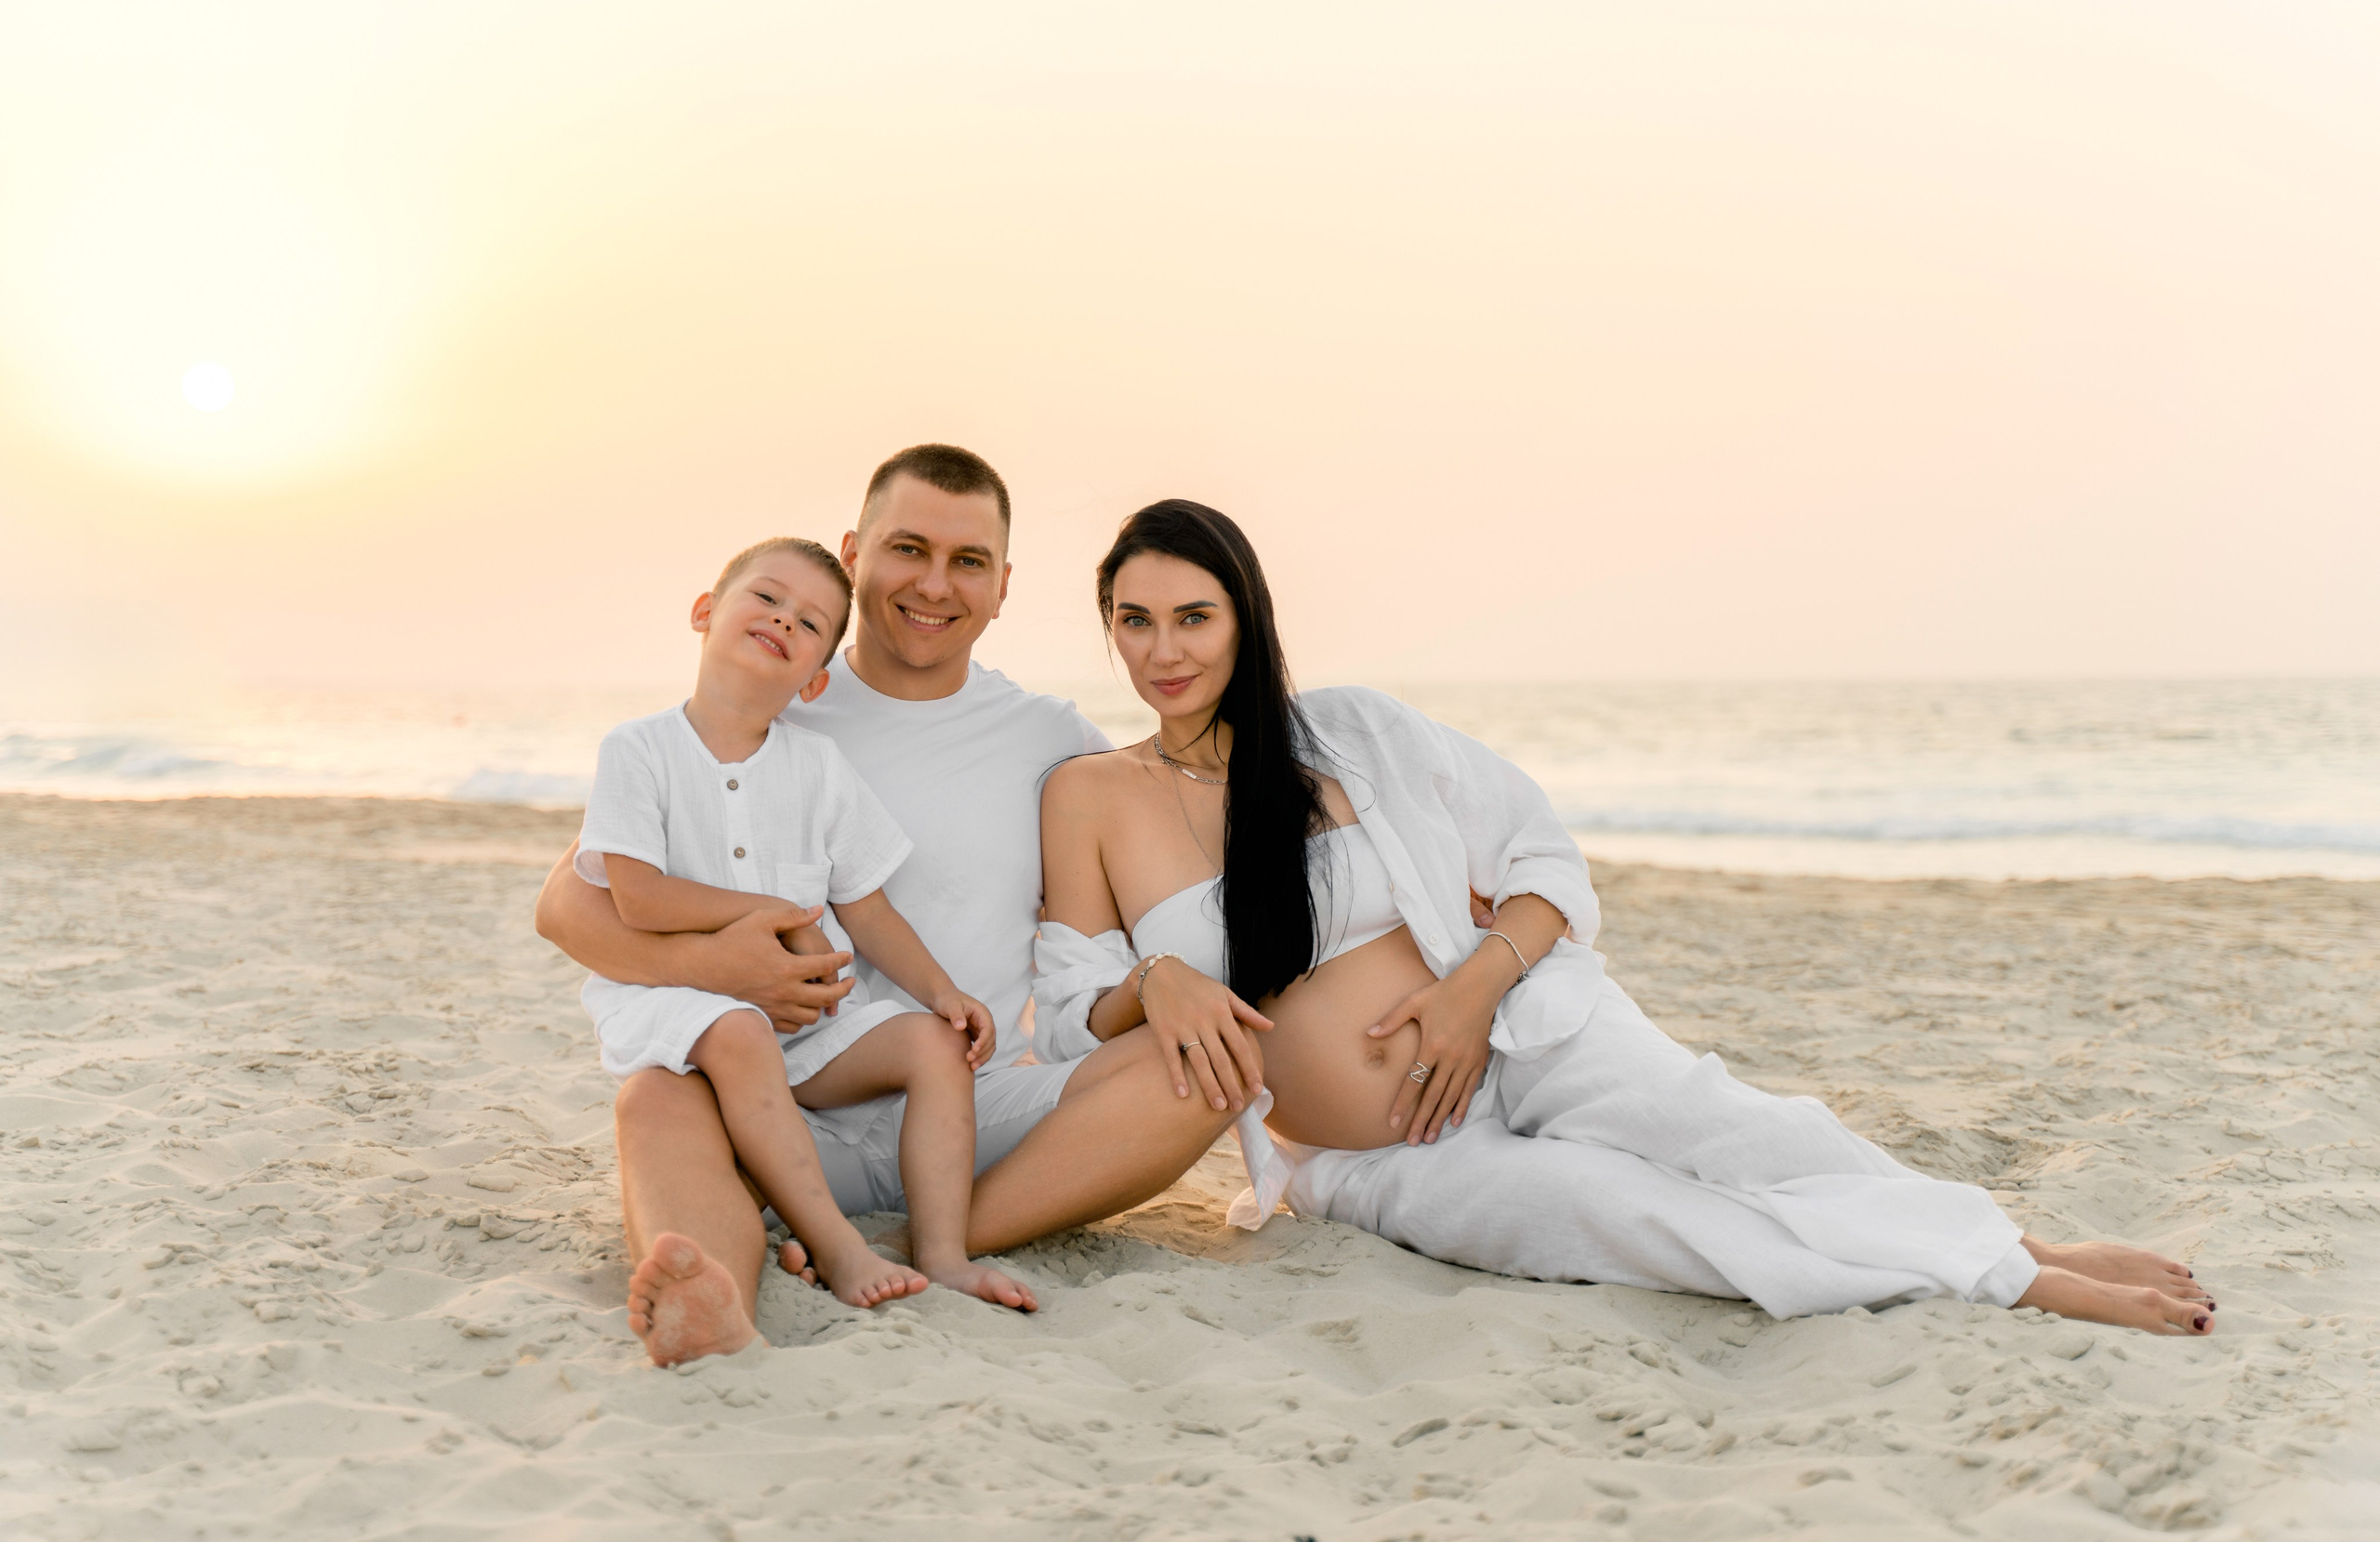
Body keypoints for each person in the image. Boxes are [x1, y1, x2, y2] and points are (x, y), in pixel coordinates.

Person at [1033, 499, 2219, 1336]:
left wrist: (1470, 989)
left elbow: (1543, 857)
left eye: (1191, 616)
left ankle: (2023, 1249)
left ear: (1244, 617)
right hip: (1386, 1155)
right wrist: (1157, 984)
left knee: (1754, 1136)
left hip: (1516, 1036)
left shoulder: (1353, 733)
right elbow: (1067, 1014)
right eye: (1134, 621)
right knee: (1638, 1216)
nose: (1163, 651)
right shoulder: (1091, 796)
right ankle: (2007, 1281)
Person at [534, 445, 1240, 1364]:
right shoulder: (776, 690)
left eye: (968, 561)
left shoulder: (1052, 741)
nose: (935, 585)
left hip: (972, 1117)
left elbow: (1169, 898)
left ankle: (914, 1247)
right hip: (775, 1106)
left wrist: (1163, 976)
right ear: (854, 553)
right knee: (653, 1097)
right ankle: (712, 1300)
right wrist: (721, 968)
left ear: (1003, 585)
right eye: (907, 549)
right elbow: (568, 908)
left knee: (1214, 1065)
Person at [574, 534, 1024, 1311]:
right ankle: (837, 1243)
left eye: (811, 623)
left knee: (935, 1044)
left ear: (815, 680)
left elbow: (867, 904)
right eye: (767, 599)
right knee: (738, 1031)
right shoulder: (639, 749)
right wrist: (773, 915)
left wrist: (943, 991)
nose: (785, 620)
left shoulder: (815, 768)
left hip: (805, 1032)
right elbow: (639, 897)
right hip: (678, 1014)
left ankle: (944, 1251)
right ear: (705, 612)